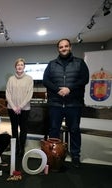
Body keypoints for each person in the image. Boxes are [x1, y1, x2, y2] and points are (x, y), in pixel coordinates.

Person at [43, 38, 89, 168]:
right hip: (55, 104)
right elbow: (46, 80)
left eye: (66, 46)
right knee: (54, 130)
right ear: (58, 49)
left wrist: (70, 89)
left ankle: (75, 155)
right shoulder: (51, 64)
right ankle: (52, 155)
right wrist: (58, 90)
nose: (63, 48)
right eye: (61, 47)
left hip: (73, 104)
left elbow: (84, 79)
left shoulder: (80, 63)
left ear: (70, 47)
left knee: (74, 129)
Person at [6, 58, 33, 157]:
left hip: (24, 109)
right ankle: (15, 148)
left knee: (23, 129)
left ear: (24, 67)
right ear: (15, 67)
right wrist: (13, 107)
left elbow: (29, 94)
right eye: (18, 65)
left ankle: (22, 148)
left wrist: (20, 106)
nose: (20, 66)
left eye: (21, 64)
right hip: (12, 108)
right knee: (14, 129)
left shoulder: (29, 79)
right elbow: (8, 93)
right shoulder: (11, 79)